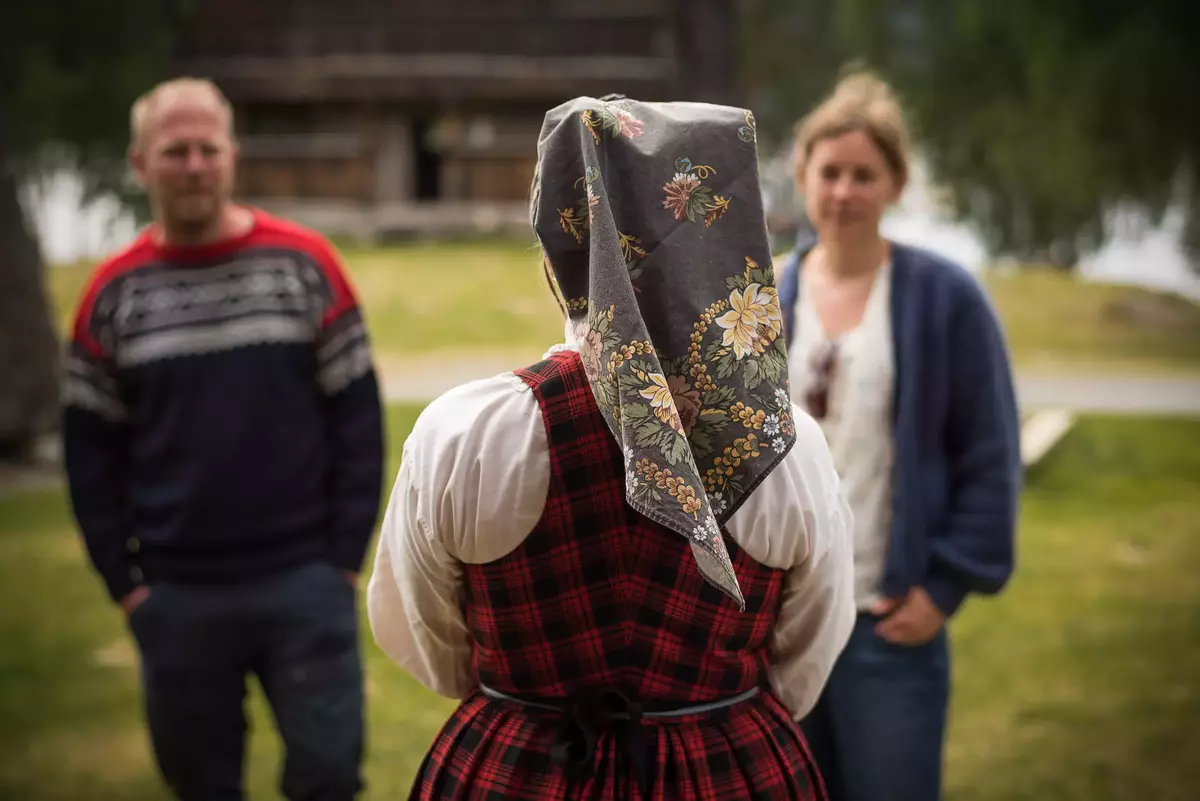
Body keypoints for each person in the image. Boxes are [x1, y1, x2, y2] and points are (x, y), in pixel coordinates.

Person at [367, 96, 857, 800]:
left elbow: (427, 638)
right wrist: (703, 706)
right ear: (723, 241)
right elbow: (807, 659)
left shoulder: (465, 433)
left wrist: (520, 687)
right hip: (725, 767)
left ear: (556, 246)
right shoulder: (786, 443)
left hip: (523, 766)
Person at [61, 77, 384, 801]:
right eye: (175, 151)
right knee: (201, 784)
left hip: (306, 580)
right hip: (177, 595)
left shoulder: (307, 266)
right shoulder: (111, 296)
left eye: (208, 148)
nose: (195, 165)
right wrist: (128, 586)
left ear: (233, 155)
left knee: (329, 774)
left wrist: (342, 560)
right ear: (140, 162)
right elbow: (88, 456)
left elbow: (359, 421)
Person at [775, 71, 1023, 801]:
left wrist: (943, 586)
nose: (844, 191)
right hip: (782, 631)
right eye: (830, 172)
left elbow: (990, 452)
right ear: (803, 177)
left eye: (863, 174)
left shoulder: (946, 298)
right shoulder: (766, 292)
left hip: (889, 623)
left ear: (895, 183)